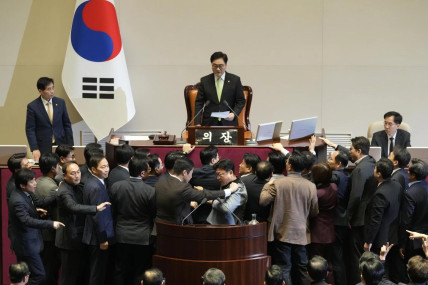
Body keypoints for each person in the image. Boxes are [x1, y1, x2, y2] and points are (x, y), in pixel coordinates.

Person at [321, 136, 378, 284]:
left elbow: (356, 196)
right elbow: (347, 156)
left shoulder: (359, 170)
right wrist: (334, 145)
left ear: (359, 151)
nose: (350, 152)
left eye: (351, 149)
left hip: (355, 219)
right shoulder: (370, 162)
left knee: (352, 258)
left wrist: (349, 217)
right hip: (367, 217)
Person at [260, 151, 319, 285]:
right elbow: (314, 211)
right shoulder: (311, 186)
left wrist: (266, 185)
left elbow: (263, 201)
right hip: (301, 232)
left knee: (284, 267)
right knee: (303, 268)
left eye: (287, 162)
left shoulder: (277, 184)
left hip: (282, 232)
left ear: (290, 166)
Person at [56, 161, 110, 285]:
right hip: (68, 240)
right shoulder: (64, 190)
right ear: (64, 176)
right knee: (68, 276)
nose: (77, 176)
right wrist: (95, 208)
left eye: (78, 172)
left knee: (78, 274)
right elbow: (73, 207)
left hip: (78, 237)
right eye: (73, 173)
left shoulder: (79, 186)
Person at [8, 168, 64, 285]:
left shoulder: (26, 193)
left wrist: (36, 211)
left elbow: (39, 203)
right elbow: (26, 220)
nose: (35, 183)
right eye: (32, 181)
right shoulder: (17, 199)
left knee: (26, 274)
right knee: (39, 275)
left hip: (29, 242)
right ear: (23, 185)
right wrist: (50, 223)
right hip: (26, 244)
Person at [110, 157, 156, 284]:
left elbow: (112, 211)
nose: (149, 172)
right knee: (140, 271)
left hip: (121, 235)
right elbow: (153, 214)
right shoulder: (150, 191)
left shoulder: (116, 187)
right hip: (142, 237)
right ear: (142, 173)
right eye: (148, 170)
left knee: (120, 269)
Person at [155, 157, 238, 225]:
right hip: (177, 228)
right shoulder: (182, 187)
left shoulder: (160, 183)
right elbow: (204, 195)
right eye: (191, 173)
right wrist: (229, 190)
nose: (191, 176)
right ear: (184, 172)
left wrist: (189, 202)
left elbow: (172, 198)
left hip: (160, 226)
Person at [82, 154, 114, 285]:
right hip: (97, 238)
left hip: (94, 236)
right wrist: (103, 239)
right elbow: (98, 214)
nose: (107, 169)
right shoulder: (95, 186)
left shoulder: (94, 181)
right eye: (103, 167)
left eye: (107, 166)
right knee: (97, 273)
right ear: (93, 169)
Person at [25, 77, 73, 162]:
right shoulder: (33, 106)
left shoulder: (61, 102)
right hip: (43, 146)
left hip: (61, 144)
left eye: (53, 88)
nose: (52, 91)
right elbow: (30, 130)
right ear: (40, 91)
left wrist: (70, 146)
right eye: (49, 89)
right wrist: (34, 148)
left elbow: (67, 125)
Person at [194, 51, 246, 126]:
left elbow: (241, 101)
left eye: (221, 66)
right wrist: (197, 123)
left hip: (228, 123)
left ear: (226, 65)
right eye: (215, 66)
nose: (218, 69)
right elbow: (199, 103)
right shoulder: (205, 81)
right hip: (209, 123)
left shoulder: (235, 80)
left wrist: (234, 114)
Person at [309, 163, 337, 284]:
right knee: (328, 264)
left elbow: (311, 211)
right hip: (330, 230)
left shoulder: (316, 192)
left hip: (317, 232)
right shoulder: (334, 186)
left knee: (317, 266)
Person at [35, 153, 61, 285]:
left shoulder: (37, 182)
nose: (60, 168)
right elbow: (57, 214)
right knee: (50, 269)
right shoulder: (53, 187)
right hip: (50, 234)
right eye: (58, 166)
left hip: (38, 233)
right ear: (53, 169)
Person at [328, 150, 351, 285]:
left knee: (336, 257)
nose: (328, 161)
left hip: (336, 220)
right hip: (343, 220)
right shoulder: (346, 175)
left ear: (338, 163)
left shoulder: (334, 176)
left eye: (330, 159)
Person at [399, 160, 428, 263]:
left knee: (413, 270)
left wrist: (402, 244)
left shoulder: (410, 193)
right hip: (426, 238)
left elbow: (406, 220)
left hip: (413, 241)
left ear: (413, 175)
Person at [207, 159, 247, 225]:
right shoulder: (225, 183)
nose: (218, 178)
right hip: (216, 224)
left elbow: (227, 209)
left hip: (229, 228)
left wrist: (213, 202)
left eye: (220, 174)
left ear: (230, 172)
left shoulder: (239, 189)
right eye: (216, 175)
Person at [189, 145, 221, 224]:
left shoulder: (192, 173)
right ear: (213, 160)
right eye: (218, 157)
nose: (219, 159)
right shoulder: (221, 175)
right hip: (216, 215)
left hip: (195, 214)